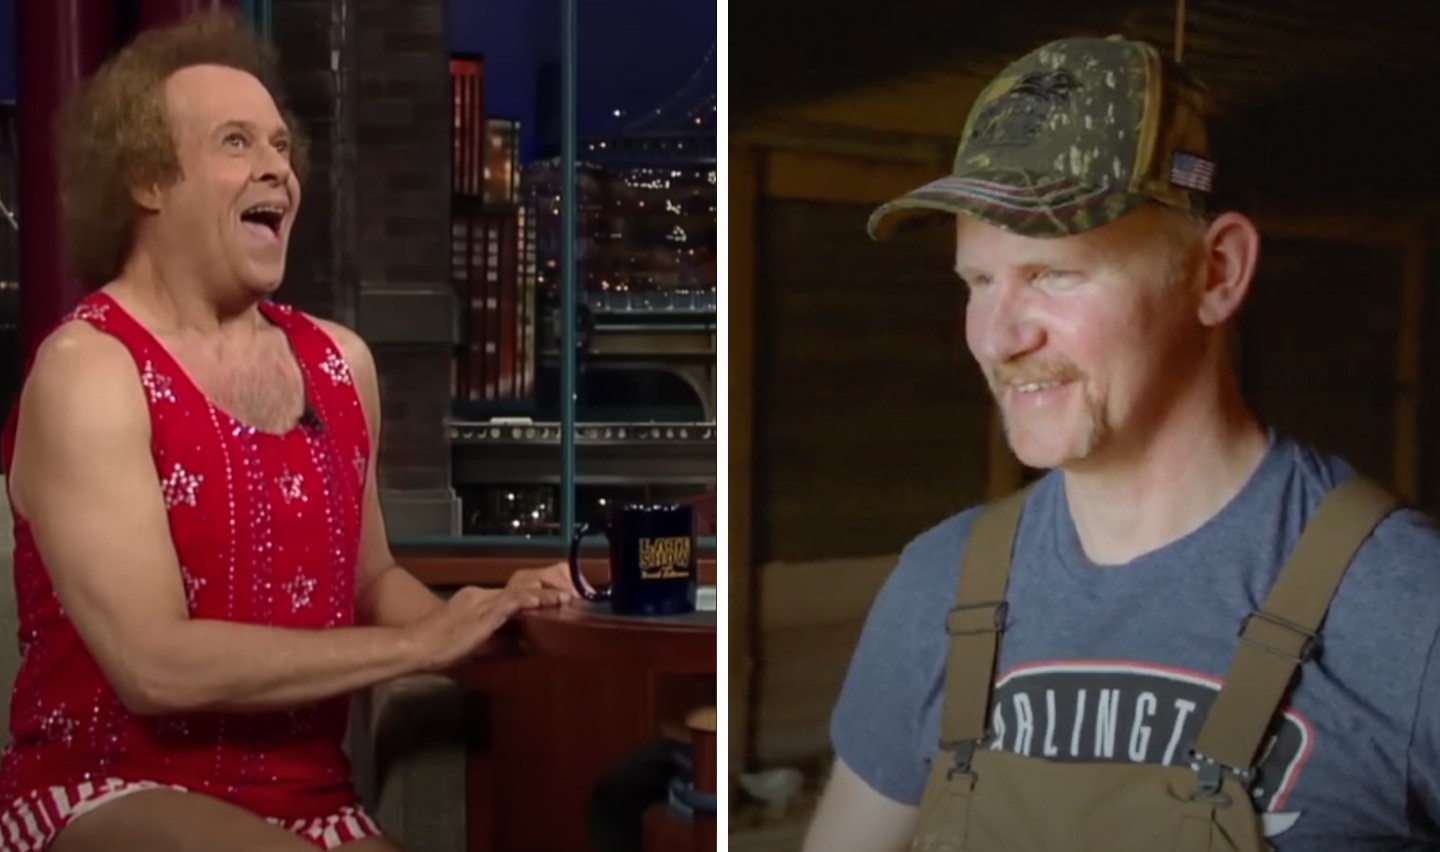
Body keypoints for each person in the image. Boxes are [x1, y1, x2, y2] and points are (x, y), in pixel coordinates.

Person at [803, 34, 1440, 852]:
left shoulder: (1408, 611)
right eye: (978, 281)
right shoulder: (937, 590)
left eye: (1054, 274)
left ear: (1216, 273)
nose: (999, 339)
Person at [0, 12, 575, 852]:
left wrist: (489, 619)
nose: (277, 168)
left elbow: (373, 584)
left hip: (313, 799)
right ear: (149, 181)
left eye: (280, 146)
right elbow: (154, 666)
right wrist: (417, 644)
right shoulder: (87, 372)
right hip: (106, 790)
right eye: (237, 143)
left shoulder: (344, 365)